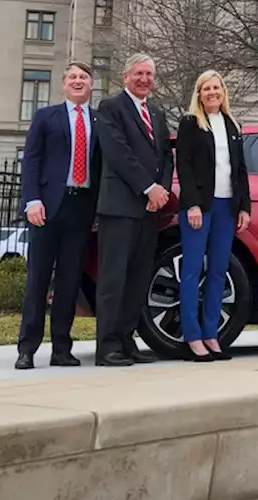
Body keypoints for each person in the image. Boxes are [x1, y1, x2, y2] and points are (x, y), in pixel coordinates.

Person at [15, 61, 100, 370]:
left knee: (69, 282)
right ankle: (27, 348)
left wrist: (97, 211)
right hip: (47, 209)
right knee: (38, 279)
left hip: (81, 210)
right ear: (64, 84)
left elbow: (101, 169)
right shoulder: (45, 117)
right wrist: (32, 201)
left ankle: (61, 348)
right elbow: (31, 162)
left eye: (84, 77)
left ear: (92, 85)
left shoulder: (98, 120)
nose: (78, 81)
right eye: (73, 77)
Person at [93, 53, 174, 366]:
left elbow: (165, 154)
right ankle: (107, 346)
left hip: (149, 210)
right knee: (114, 279)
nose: (144, 79)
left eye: (149, 74)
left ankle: (127, 341)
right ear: (126, 76)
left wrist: (161, 191)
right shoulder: (111, 108)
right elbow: (118, 153)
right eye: (139, 73)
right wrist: (148, 187)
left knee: (138, 279)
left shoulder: (156, 112)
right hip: (120, 207)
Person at [175, 70, 252, 362]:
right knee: (193, 271)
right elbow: (183, 165)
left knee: (219, 271)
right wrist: (192, 204)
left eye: (216, 88)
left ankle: (211, 334)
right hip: (200, 208)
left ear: (223, 92)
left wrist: (245, 206)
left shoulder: (232, 124)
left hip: (226, 207)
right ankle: (192, 336)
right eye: (206, 88)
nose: (212, 92)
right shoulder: (190, 123)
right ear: (199, 93)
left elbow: (240, 169)